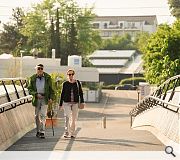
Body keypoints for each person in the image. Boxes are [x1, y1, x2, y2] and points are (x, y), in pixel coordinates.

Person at [28, 64, 54, 139]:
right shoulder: (32, 78)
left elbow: (51, 89)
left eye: (41, 68)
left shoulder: (48, 77)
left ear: (43, 69)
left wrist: (51, 98)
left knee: (43, 114)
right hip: (36, 99)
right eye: (38, 69)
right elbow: (29, 89)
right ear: (36, 69)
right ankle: (38, 131)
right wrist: (36, 94)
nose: (40, 70)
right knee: (36, 116)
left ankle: (42, 131)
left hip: (45, 98)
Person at [59, 69, 84, 138]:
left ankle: (72, 132)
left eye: (72, 74)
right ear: (67, 75)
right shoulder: (65, 83)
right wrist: (60, 104)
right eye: (69, 74)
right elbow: (62, 94)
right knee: (67, 117)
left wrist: (82, 102)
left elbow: (81, 93)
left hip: (75, 103)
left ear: (74, 75)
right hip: (66, 103)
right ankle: (66, 132)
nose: (71, 76)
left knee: (74, 119)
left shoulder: (78, 83)